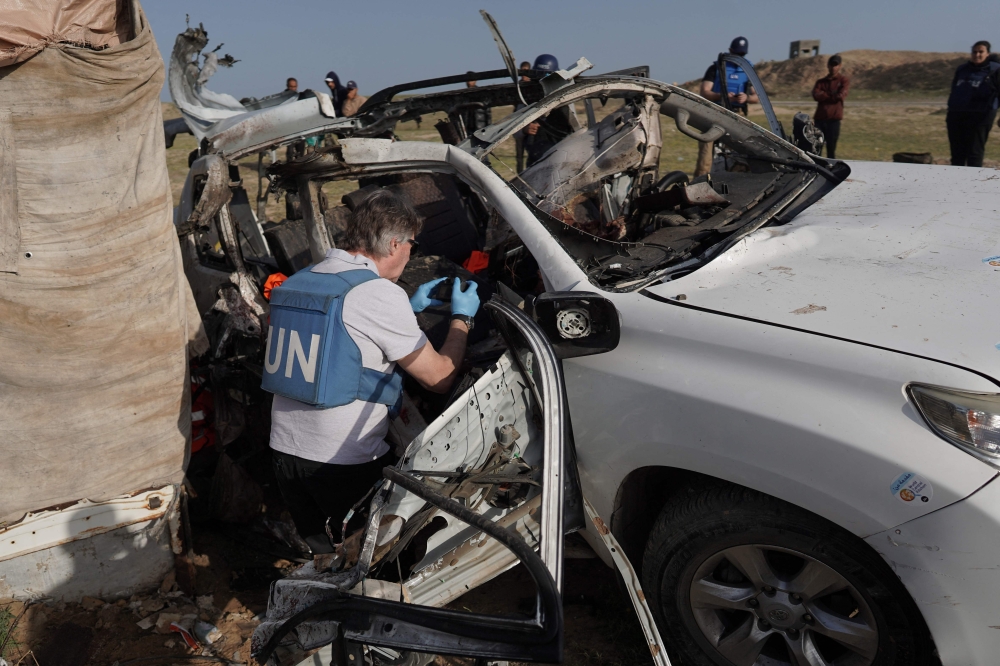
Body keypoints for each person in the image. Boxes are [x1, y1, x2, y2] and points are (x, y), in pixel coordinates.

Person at [268, 189, 480, 554]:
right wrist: (463, 318)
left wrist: (407, 309)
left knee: (326, 558)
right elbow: (440, 377)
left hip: (285, 453)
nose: (412, 252)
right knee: (381, 561)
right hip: (341, 461)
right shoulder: (376, 294)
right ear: (395, 243)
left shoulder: (299, 280)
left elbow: (340, 338)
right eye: (412, 244)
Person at [695, 37, 759, 176]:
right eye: (736, 54)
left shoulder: (749, 70)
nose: (738, 58)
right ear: (730, 51)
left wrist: (746, 98)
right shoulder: (716, 68)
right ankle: (700, 182)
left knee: (738, 153)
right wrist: (722, 96)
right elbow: (705, 91)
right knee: (706, 151)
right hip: (714, 113)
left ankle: (732, 183)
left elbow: (757, 97)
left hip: (737, 115)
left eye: (742, 55)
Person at [946, 41, 1000, 167]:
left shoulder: (995, 70)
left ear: (988, 54)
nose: (977, 55)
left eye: (981, 52)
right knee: (957, 153)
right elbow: (954, 89)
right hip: (957, 114)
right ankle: (954, 182)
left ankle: (973, 183)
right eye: (974, 52)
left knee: (974, 151)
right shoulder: (962, 69)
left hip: (981, 115)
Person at [524, 54, 574, 167]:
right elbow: (512, 129)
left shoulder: (566, 97)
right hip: (534, 158)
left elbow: (573, 127)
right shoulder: (526, 97)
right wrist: (524, 130)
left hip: (560, 154)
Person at [811, 54, 850, 159]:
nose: (833, 67)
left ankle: (830, 169)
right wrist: (832, 95)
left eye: (836, 65)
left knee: (831, 148)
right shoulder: (821, 82)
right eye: (831, 65)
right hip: (820, 119)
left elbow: (841, 96)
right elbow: (816, 95)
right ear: (828, 66)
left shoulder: (843, 81)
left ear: (840, 66)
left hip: (834, 120)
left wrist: (824, 95)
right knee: (816, 147)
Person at [459, 72, 492, 136]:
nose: (468, 83)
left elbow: (488, 112)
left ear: (475, 81)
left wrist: (489, 128)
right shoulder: (463, 95)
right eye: (467, 81)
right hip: (468, 128)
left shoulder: (481, 94)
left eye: (470, 80)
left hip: (481, 127)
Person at [515, 61, 531, 173]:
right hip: (519, 123)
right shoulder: (517, 87)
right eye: (522, 71)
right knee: (519, 156)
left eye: (526, 71)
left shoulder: (534, 85)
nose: (524, 74)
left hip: (532, 123)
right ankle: (519, 175)